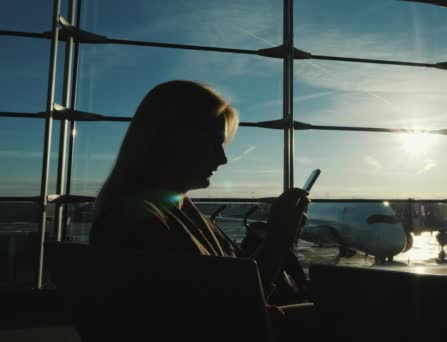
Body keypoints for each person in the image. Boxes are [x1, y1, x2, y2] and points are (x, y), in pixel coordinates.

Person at [89, 80, 314, 337]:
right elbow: (225, 314)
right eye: (212, 143)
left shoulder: (166, 213)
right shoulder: (142, 226)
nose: (222, 158)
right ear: (170, 142)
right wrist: (277, 240)